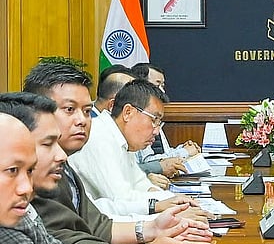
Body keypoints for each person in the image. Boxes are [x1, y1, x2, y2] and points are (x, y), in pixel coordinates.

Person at [0, 92, 213, 244]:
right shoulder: (30, 195)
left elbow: (92, 228)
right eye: (69, 109)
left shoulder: (62, 165)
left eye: (87, 111)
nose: (82, 120)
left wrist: (153, 227)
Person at [23, 62, 204, 219]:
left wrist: (174, 201)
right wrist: (160, 210)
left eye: (87, 111)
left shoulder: (121, 139)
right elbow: (118, 199)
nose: (82, 121)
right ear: (128, 112)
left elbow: (139, 185)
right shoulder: (98, 138)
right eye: (154, 120)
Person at [131, 62, 199, 180]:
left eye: (163, 86)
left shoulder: (154, 116)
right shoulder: (140, 117)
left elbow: (162, 153)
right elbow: (148, 162)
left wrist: (181, 149)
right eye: (157, 85)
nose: (162, 91)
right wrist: (184, 152)